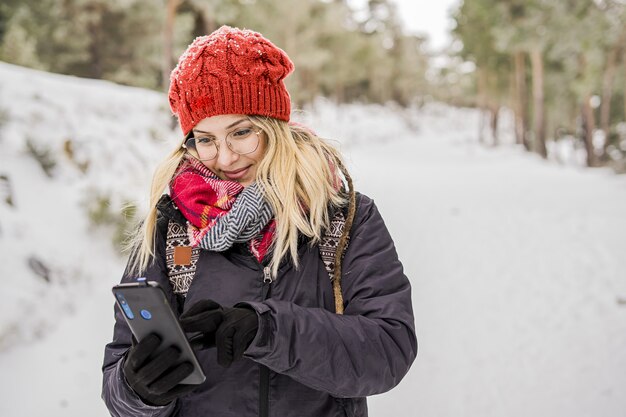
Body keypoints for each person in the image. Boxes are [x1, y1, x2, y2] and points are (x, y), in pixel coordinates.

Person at [102, 25, 417, 417]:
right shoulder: (171, 227)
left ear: (274, 126)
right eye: (206, 138)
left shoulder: (342, 217)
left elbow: (389, 350)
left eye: (241, 132)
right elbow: (117, 382)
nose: (225, 157)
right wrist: (138, 391)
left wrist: (268, 330)